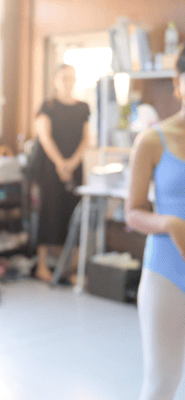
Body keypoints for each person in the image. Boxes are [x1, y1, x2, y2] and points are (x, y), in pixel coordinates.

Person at [126, 46, 185, 400]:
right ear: (178, 83)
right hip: (167, 273)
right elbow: (133, 211)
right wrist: (170, 223)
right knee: (161, 384)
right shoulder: (152, 139)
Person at [33, 64, 91, 282]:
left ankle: (71, 269)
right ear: (55, 80)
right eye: (64, 77)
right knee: (49, 213)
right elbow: (44, 136)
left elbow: (86, 138)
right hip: (50, 168)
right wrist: (60, 164)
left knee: (73, 214)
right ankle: (42, 266)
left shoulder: (83, 107)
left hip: (75, 167)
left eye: (71, 78)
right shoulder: (48, 106)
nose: (68, 82)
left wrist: (71, 164)